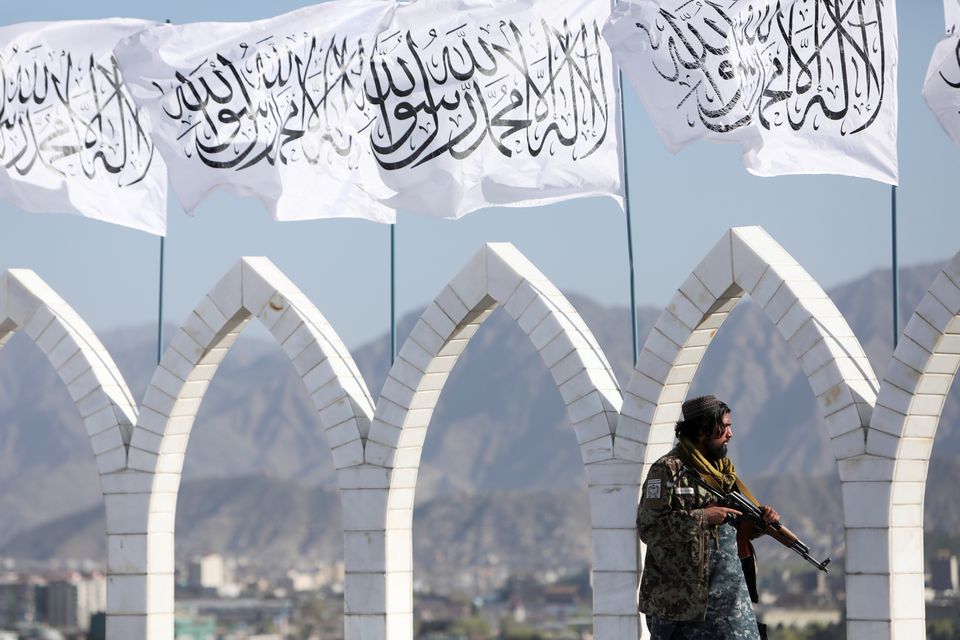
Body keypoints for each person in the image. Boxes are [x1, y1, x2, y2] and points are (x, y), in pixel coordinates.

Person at [636, 395, 779, 640]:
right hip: (680, 605)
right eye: (725, 427)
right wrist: (703, 517)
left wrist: (760, 522)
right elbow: (650, 528)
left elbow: (735, 527)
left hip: (729, 598)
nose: (730, 434)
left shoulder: (723, 471)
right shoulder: (667, 470)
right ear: (703, 430)